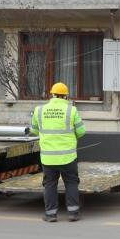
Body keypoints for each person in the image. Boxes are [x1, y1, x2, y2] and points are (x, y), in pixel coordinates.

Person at [30, 82, 86, 222]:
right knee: (71, 183)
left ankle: (50, 215)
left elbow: (34, 130)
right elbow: (81, 132)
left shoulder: (39, 110)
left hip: (48, 158)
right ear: (66, 96)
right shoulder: (71, 110)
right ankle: (73, 213)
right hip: (68, 156)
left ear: (52, 95)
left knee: (50, 184)